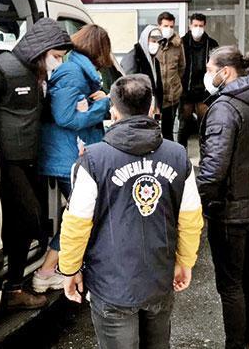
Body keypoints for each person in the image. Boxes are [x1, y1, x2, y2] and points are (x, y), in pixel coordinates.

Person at [58, 74, 204, 349]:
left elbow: (77, 223)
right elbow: (190, 217)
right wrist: (184, 261)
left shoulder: (93, 160)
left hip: (112, 285)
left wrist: (70, 269)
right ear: (152, 109)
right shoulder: (177, 156)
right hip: (159, 279)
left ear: (113, 110)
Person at [0, 17, 72, 310]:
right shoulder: (2, 70)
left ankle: (13, 284)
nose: (57, 63)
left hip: (29, 160)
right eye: (56, 57)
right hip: (7, 161)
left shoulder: (36, 73)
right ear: (41, 50)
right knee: (28, 220)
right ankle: (13, 289)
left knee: (27, 223)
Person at [198, 46, 249, 349]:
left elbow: (214, 167)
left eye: (209, 69)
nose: (207, 75)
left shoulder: (225, 107)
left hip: (231, 208)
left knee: (230, 284)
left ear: (225, 72)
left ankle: (236, 344)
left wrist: (195, 204)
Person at [35, 24, 112, 293]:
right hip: (67, 154)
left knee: (79, 212)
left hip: (70, 152)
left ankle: (61, 266)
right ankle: (47, 271)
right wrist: (103, 104)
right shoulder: (73, 74)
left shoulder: (78, 71)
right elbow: (67, 117)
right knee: (81, 213)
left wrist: (92, 105)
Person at [179, 13, 219, 148]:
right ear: (190, 25)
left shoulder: (212, 44)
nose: (198, 28)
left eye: (201, 26)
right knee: (184, 125)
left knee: (204, 126)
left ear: (205, 26)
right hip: (186, 90)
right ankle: (182, 154)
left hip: (204, 90)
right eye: (195, 25)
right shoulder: (182, 43)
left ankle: (205, 156)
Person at [156, 12, 186, 140]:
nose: (168, 29)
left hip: (172, 96)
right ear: (159, 26)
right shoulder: (153, 43)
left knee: (168, 132)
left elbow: (182, 67)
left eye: (171, 26)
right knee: (153, 131)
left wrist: (173, 82)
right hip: (156, 97)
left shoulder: (178, 45)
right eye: (165, 26)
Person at [121, 25, 164, 113]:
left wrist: (157, 106)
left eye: (158, 42)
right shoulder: (133, 57)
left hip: (151, 109)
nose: (156, 44)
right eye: (153, 41)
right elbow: (129, 88)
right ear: (145, 39)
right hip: (137, 109)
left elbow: (156, 87)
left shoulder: (155, 60)